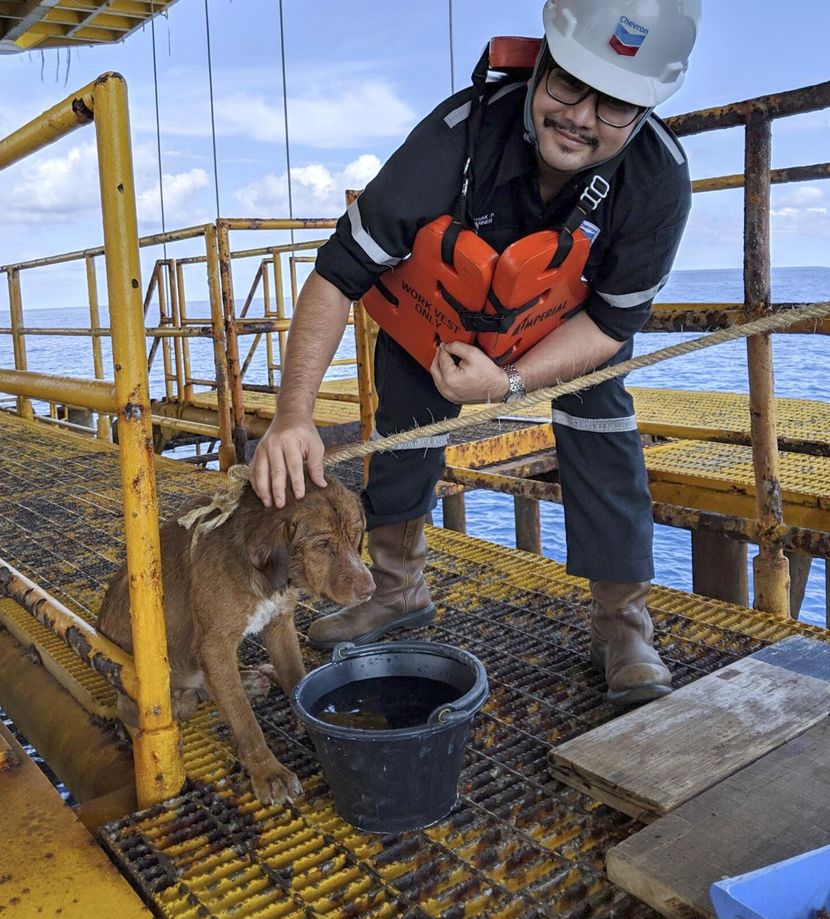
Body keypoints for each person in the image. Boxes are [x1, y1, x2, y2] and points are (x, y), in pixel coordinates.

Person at [251, 0, 700, 705]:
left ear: (644, 112)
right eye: (568, 84)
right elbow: (339, 272)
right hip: (440, 326)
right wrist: (291, 415)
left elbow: (611, 327)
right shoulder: (457, 136)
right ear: (540, 65)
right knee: (402, 408)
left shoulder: (658, 179)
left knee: (603, 413)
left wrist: (511, 381)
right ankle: (397, 592)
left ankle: (623, 625)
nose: (581, 115)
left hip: (560, 331)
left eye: (613, 103)